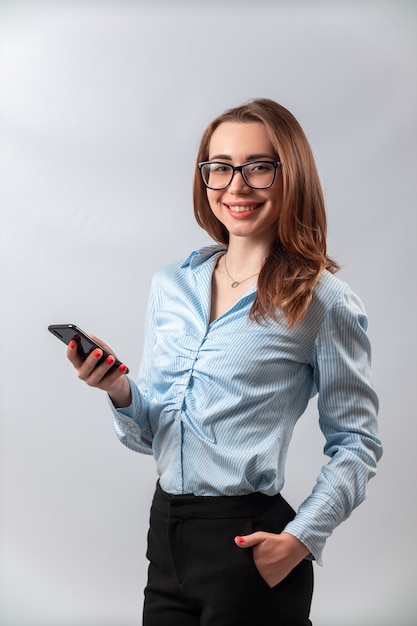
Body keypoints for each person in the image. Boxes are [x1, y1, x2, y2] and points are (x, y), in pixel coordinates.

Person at [66, 98, 382, 625]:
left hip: (249, 544)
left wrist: (300, 539)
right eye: (220, 168)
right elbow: (153, 435)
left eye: (259, 167)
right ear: (205, 178)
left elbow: (358, 444)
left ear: (291, 176)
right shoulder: (171, 285)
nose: (236, 186)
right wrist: (118, 391)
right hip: (166, 534)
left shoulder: (323, 301)